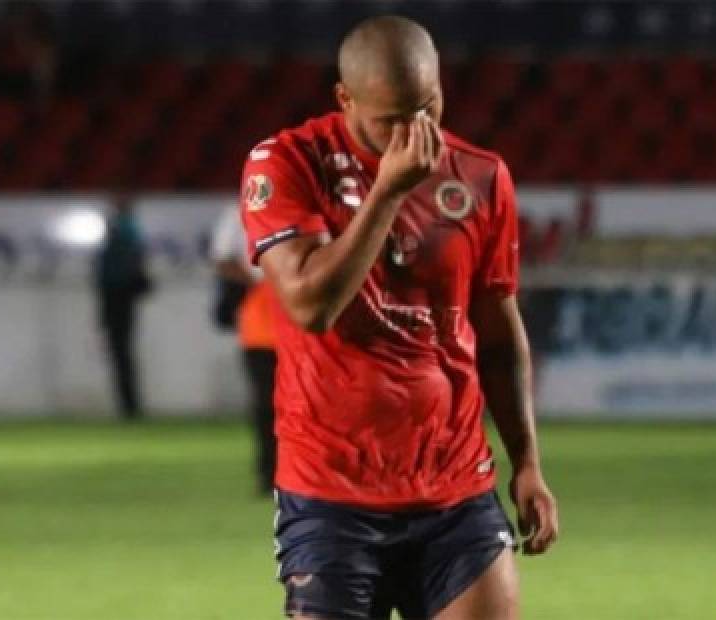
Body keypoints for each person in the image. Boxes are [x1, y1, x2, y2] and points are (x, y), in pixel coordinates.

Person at [239, 16, 558, 619]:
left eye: (427, 107)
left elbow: (497, 333)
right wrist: (387, 194)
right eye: (392, 118)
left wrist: (528, 464)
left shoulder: (482, 177)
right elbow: (310, 305)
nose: (415, 132)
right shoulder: (286, 164)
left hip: (456, 490)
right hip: (332, 492)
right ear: (344, 99)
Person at [211, 205, 279, 495]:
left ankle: (302, 475)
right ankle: (269, 474)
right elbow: (223, 260)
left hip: (301, 327)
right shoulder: (237, 212)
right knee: (266, 405)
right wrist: (258, 281)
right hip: (262, 327)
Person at [94, 196, 152, 420]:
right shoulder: (128, 232)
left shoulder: (123, 232)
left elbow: (116, 269)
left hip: (117, 296)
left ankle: (129, 405)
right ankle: (129, 404)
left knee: (121, 353)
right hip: (120, 296)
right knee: (122, 352)